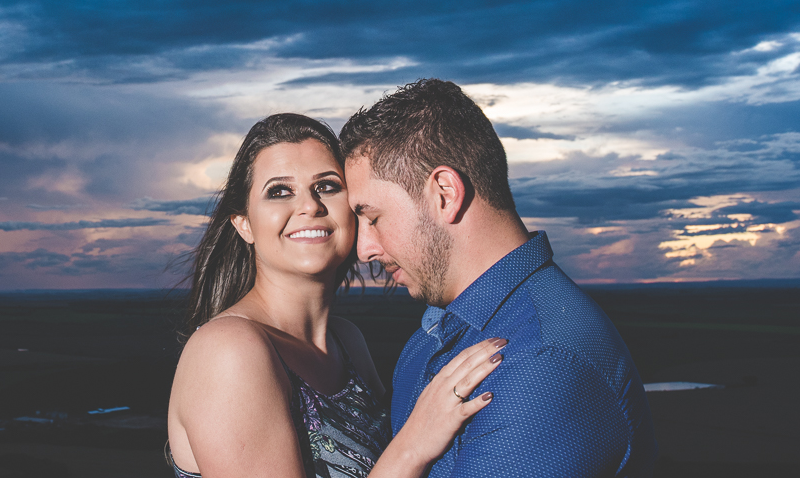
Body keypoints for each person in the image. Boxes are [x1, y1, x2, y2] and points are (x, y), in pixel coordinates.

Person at [339, 79, 657, 478]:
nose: (364, 248)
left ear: (444, 193)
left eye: (373, 217)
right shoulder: (431, 338)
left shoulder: (539, 366)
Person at [168, 113, 508, 478]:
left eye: (328, 186)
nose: (310, 206)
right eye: (279, 191)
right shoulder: (229, 350)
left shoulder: (347, 341)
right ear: (244, 224)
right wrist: (414, 445)